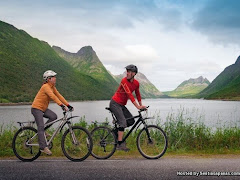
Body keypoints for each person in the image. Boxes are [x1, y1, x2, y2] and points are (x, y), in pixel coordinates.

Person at [31, 70, 73, 155]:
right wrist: (61, 105)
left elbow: (58, 95)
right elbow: (52, 96)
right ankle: (43, 147)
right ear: (49, 79)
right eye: (53, 77)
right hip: (36, 108)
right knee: (40, 126)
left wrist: (68, 105)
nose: (55, 78)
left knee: (53, 116)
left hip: (43, 108)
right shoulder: (46, 87)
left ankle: (43, 131)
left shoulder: (52, 87)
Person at [110, 64, 146, 151]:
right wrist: (138, 106)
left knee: (131, 121)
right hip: (115, 103)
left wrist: (141, 105)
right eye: (127, 71)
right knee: (122, 122)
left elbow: (137, 94)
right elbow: (129, 95)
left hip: (121, 105)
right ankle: (119, 144)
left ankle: (116, 132)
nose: (127, 73)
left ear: (133, 73)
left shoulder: (136, 83)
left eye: (129, 71)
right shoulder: (124, 81)